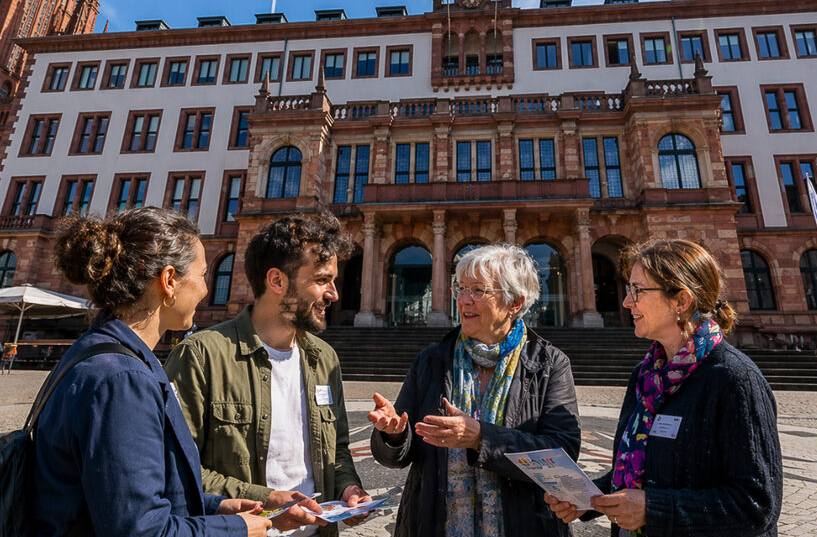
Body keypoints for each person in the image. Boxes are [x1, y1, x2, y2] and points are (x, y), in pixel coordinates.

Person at [34, 207, 272, 537]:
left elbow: (131, 492)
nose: (205, 290)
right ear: (169, 281)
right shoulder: (121, 379)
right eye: (202, 275)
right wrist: (236, 529)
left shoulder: (106, 352)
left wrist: (215, 506)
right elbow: (140, 530)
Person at [545, 239, 782, 536]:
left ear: (681, 302)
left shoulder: (735, 379)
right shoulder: (645, 376)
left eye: (638, 291)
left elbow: (756, 504)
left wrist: (652, 509)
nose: (626, 302)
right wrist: (588, 497)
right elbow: (645, 470)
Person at [165, 213, 369, 536]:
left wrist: (348, 489)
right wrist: (267, 501)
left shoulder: (324, 359)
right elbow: (176, 472)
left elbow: (339, 449)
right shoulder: (202, 356)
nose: (334, 294)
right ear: (277, 281)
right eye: (321, 280)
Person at [369, 243, 581, 537]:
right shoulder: (431, 360)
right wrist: (393, 435)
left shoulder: (549, 363)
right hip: (433, 524)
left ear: (515, 303)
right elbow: (399, 454)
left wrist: (481, 437)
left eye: (479, 290)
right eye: (461, 288)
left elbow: (563, 456)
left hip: (524, 524)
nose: (463, 300)